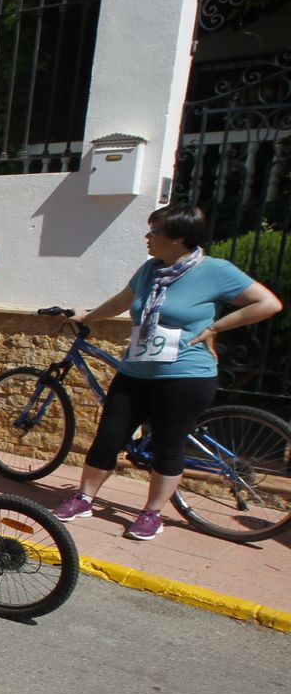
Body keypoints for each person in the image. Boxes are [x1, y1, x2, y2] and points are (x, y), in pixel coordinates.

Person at [53, 203, 282, 541]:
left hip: (185, 375)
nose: (147, 237)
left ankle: (152, 513)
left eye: (154, 232)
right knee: (109, 438)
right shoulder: (150, 270)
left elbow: (267, 303)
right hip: (136, 371)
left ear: (177, 237)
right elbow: (121, 301)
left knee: (168, 446)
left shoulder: (215, 271)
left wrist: (215, 327)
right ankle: (84, 498)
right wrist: (88, 316)